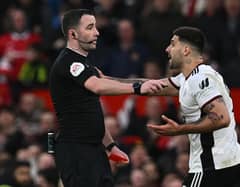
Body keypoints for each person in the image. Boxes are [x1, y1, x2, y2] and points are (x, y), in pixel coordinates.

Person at [98, 26, 240, 187]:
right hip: (230, 162)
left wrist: (180, 130)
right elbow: (150, 86)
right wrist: (107, 80)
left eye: (172, 44)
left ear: (185, 50)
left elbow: (221, 117)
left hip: (213, 166)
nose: (167, 49)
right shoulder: (188, 79)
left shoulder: (200, 78)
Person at [48, 9, 166, 187]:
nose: (97, 32)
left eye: (95, 26)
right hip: (75, 149)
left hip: (94, 148)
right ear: (73, 34)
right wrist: (137, 88)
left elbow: (93, 108)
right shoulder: (68, 62)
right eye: (89, 27)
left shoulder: (86, 65)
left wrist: (110, 146)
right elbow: (97, 85)